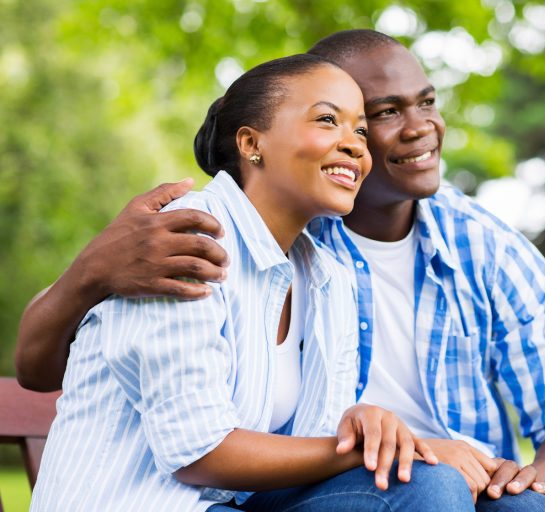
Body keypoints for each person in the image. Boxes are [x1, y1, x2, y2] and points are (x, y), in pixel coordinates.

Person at [18, 31, 545, 512]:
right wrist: (87, 272)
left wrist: (506, 480)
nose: (410, 130)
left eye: (423, 103)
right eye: (354, 116)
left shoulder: (429, 254)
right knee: (438, 489)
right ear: (257, 143)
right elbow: (194, 442)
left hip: (470, 484)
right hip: (362, 490)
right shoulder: (217, 235)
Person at [29, 53, 472, 512]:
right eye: (327, 120)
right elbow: (196, 451)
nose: (355, 145)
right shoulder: (186, 238)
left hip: (231, 503)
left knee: (461, 492)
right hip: (141, 502)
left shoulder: (329, 278)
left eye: (360, 130)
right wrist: (358, 449)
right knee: (428, 486)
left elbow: (312, 447)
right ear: (251, 143)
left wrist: (358, 426)